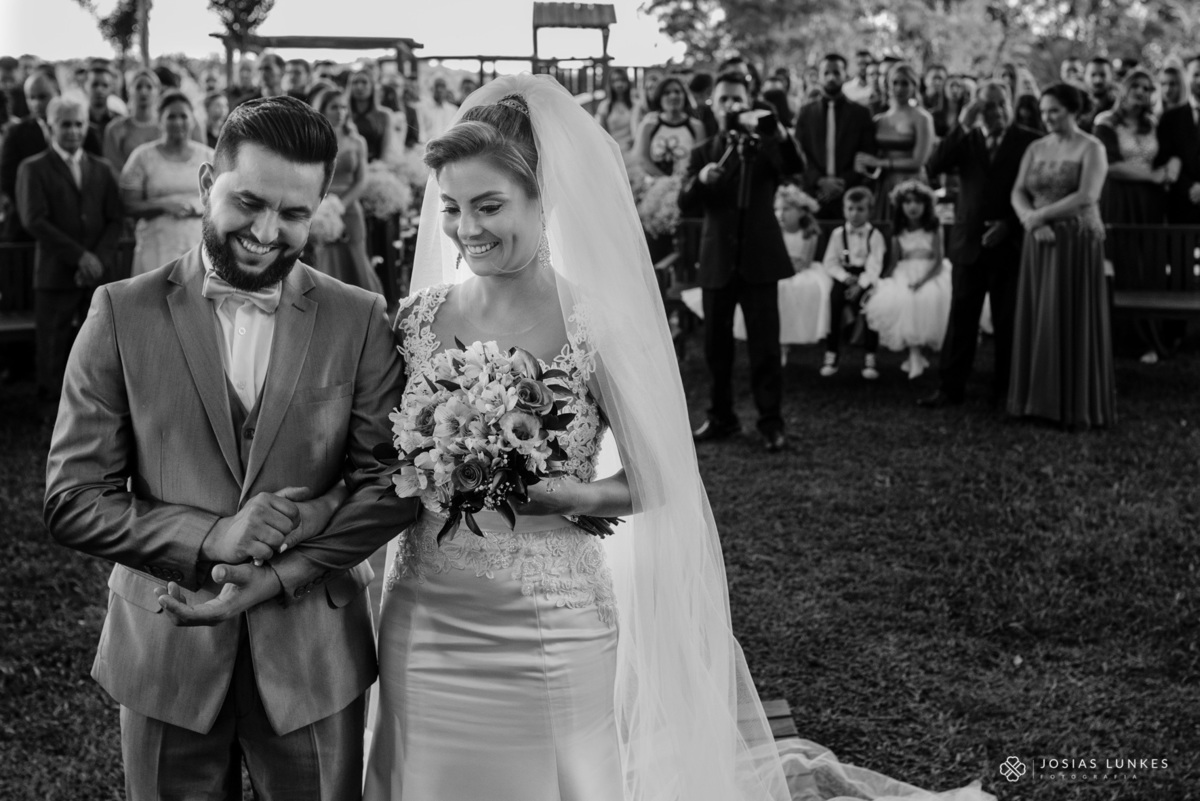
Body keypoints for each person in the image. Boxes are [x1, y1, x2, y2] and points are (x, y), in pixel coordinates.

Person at [46, 94, 420, 800]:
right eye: (248, 201)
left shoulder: (359, 316)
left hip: (315, 655)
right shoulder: (120, 312)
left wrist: (284, 571)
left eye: (294, 214)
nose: (266, 231)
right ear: (203, 183)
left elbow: (392, 479)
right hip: (166, 650)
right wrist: (211, 535)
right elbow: (72, 499)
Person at [680, 71, 804, 452]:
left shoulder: (767, 145)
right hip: (718, 258)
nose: (731, 106)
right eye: (724, 99)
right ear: (712, 105)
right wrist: (701, 178)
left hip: (760, 258)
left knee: (765, 346)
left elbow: (797, 168)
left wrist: (779, 133)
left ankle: (771, 422)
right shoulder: (704, 151)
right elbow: (686, 203)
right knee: (716, 347)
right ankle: (721, 418)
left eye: (738, 99)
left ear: (749, 101)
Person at [919, 81, 1040, 408]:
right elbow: (933, 166)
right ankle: (950, 388)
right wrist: (962, 122)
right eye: (988, 106)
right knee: (961, 319)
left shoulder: (1030, 142)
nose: (997, 112)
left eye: (1002, 104)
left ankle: (1005, 390)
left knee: (1008, 321)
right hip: (968, 242)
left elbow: (1038, 194)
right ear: (977, 109)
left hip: (1010, 245)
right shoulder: (966, 138)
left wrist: (1010, 226)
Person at [1008, 83, 1113, 429]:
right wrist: (1029, 219)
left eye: (1054, 110)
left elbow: (1087, 195)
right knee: (1039, 314)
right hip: (1038, 239)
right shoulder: (1036, 147)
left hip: (1075, 241)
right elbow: (1018, 190)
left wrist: (1041, 216)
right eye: (1043, 111)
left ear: (1073, 111)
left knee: (1068, 314)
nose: (1047, 117)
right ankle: (1034, 401)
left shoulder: (1092, 147)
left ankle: (1071, 403)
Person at [16, 95, 122, 398]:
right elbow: (34, 220)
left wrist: (97, 260)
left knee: (98, 344)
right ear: (51, 127)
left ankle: (96, 405)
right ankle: (49, 409)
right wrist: (80, 258)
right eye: (65, 125)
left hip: (98, 274)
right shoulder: (33, 168)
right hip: (55, 272)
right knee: (52, 343)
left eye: (78, 124)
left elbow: (115, 218)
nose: (73, 131)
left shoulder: (101, 169)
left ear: (87, 126)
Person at [1094, 68, 1173, 363]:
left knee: (1147, 265)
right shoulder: (1105, 122)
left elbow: (1169, 154)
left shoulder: (1152, 124)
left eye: (1147, 89)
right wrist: (1152, 176)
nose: (1142, 92)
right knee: (1122, 263)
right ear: (1123, 90)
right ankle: (1123, 339)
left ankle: (1150, 336)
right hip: (1119, 198)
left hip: (1150, 204)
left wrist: (1170, 167)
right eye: (1136, 87)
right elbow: (1110, 165)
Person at [864, 179, 952, 378]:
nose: (913, 207)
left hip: (931, 272)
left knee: (926, 297)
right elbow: (894, 262)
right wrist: (882, 281)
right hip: (905, 272)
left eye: (918, 202)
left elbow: (938, 260)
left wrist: (922, 281)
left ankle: (923, 354)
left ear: (926, 205)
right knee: (902, 298)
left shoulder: (934, 227)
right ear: (900, 205)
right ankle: (914, 354)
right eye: (908, 202)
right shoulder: (898, 231)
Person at [120, 90, 212, 276]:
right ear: (159, 120)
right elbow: (128, 205)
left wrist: (199, 208)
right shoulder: (142, 156)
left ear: (193, 119)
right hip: (156, 247)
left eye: (183, 116)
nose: (178, 122)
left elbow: (224, 201)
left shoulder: (209, 156)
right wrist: (163, 206)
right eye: (171, 117)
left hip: (199, 245)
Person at [310, 87, 383, 293]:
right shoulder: (314, 140)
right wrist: (322, 206)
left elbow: (362, 179)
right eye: (334, 107)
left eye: (344, 107)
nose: (341, 112)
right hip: (321, 211)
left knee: (356, 259)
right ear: (322, 110)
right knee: (327, 263)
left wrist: (340, 205)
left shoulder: (357, 141)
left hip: (350, 210)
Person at [794, 53, 876, 219]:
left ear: (845, 75)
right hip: (814, 194)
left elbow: (867, 152)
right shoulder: (806, 112)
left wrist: (842, 182)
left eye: (837, 73)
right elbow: (799, 152)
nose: (831, 77)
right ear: (819, 76)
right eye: (826, 73)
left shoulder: (861, 114)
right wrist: (819, 181)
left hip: (850, 196)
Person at [819, 187, 886, 379]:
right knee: (834, 304)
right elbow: (830, 262)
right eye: (850, 208)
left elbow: (875, 266)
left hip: (865, 278)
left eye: (860, 209)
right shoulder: (838, 234)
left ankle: (870, 356)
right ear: (843, 210)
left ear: (869, 211)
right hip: (844, 276)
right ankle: (831, 353)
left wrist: (860, 284)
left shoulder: (875, 235)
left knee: (870, 308)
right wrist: (845, 278)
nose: (854, 214)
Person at [856, 62, 934, 219]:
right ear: (888, 85)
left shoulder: (922, 118)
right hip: (885, 184)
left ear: (914, 86)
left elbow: (919, 161)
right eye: (895, 82)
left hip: (912, 183)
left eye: (905, 83)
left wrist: (880, 163)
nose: (899, 88)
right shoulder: (879, 119)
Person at [0, 70, 57, 241]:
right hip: (26, 224)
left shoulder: (79, 129)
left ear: (57, 92)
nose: (36, 103)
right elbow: (7, 180)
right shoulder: (16, 133)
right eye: (31, 98)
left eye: (42, 96)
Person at [1155, 56, 1200, 225]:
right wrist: (1191, 189)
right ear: (1187, 77)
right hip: (1183, 204)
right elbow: (1164, 158)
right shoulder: (1170, 118)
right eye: (1196, 74)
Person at [634, 75, 705, 177]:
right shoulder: (648, 126)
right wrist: (666, 182)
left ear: (684, 96)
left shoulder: (697, 127)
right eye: (667, 93)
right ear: (659, 97)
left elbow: (700, 160)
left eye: (677, 92)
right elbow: (642, 159)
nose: (673, 96)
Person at [102, 68, 162, 175]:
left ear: (157, 91)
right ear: (129, 90)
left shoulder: (165, 127)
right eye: (138, 87)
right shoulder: (116, 128)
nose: (144, 92)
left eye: (149, 87)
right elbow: (113, 167)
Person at [348, 68, 392, 161]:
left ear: (372, 86)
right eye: (355, 82)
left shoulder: (384, 115)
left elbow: (386, 153)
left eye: (364, 82)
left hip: (376, 168)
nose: (359, 86)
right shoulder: (344, 114)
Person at [595, 67, 637, 152]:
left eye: (622, 80)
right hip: (613, 150)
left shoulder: (635, 104)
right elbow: (600, 132)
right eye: (615, 81)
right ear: (610, 84)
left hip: (633, 149)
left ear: (627, 82)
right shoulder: (605, 106)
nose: (619, 84)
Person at [418, 77, 459, 143]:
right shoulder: (422, 108)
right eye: (437, 86)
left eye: (443, 86)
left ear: (446, 90)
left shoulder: (453, 110)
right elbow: (421, 131)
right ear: (432, 89)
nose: (439, 90)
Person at [1080, 56, 1116, 132]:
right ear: (1084, 76)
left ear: (1111, 76)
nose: (1098, 80)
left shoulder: (1117, 108)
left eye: (1103, 75)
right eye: (1093, 75)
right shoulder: (1077, 107)